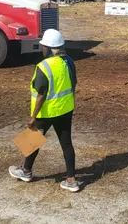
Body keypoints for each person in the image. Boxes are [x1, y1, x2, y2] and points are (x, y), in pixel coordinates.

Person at [9, 29, 80, 192]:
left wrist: (33, 117)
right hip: (65, 110)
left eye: (43, 46)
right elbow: (73, 84)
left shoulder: (43, 66)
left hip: (47, 112)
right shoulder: (69, 62)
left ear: (48, 48)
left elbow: (41, 93)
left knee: (32, 140)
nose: (42, 49)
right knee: (67, 144)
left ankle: (26, 171)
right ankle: (71, 180)